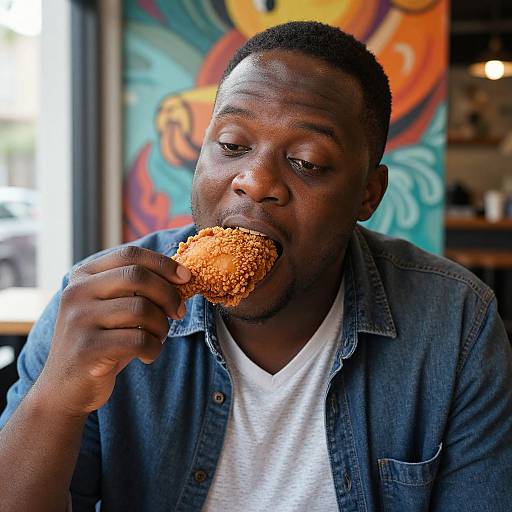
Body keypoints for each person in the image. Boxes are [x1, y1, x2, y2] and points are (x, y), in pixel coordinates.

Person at [1, 21, 511, 512]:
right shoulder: (97, 304)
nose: (255, 180)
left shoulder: (455, 323)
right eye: (231, 145)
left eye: (307, 161)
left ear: (368, 194)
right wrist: (56, 402)